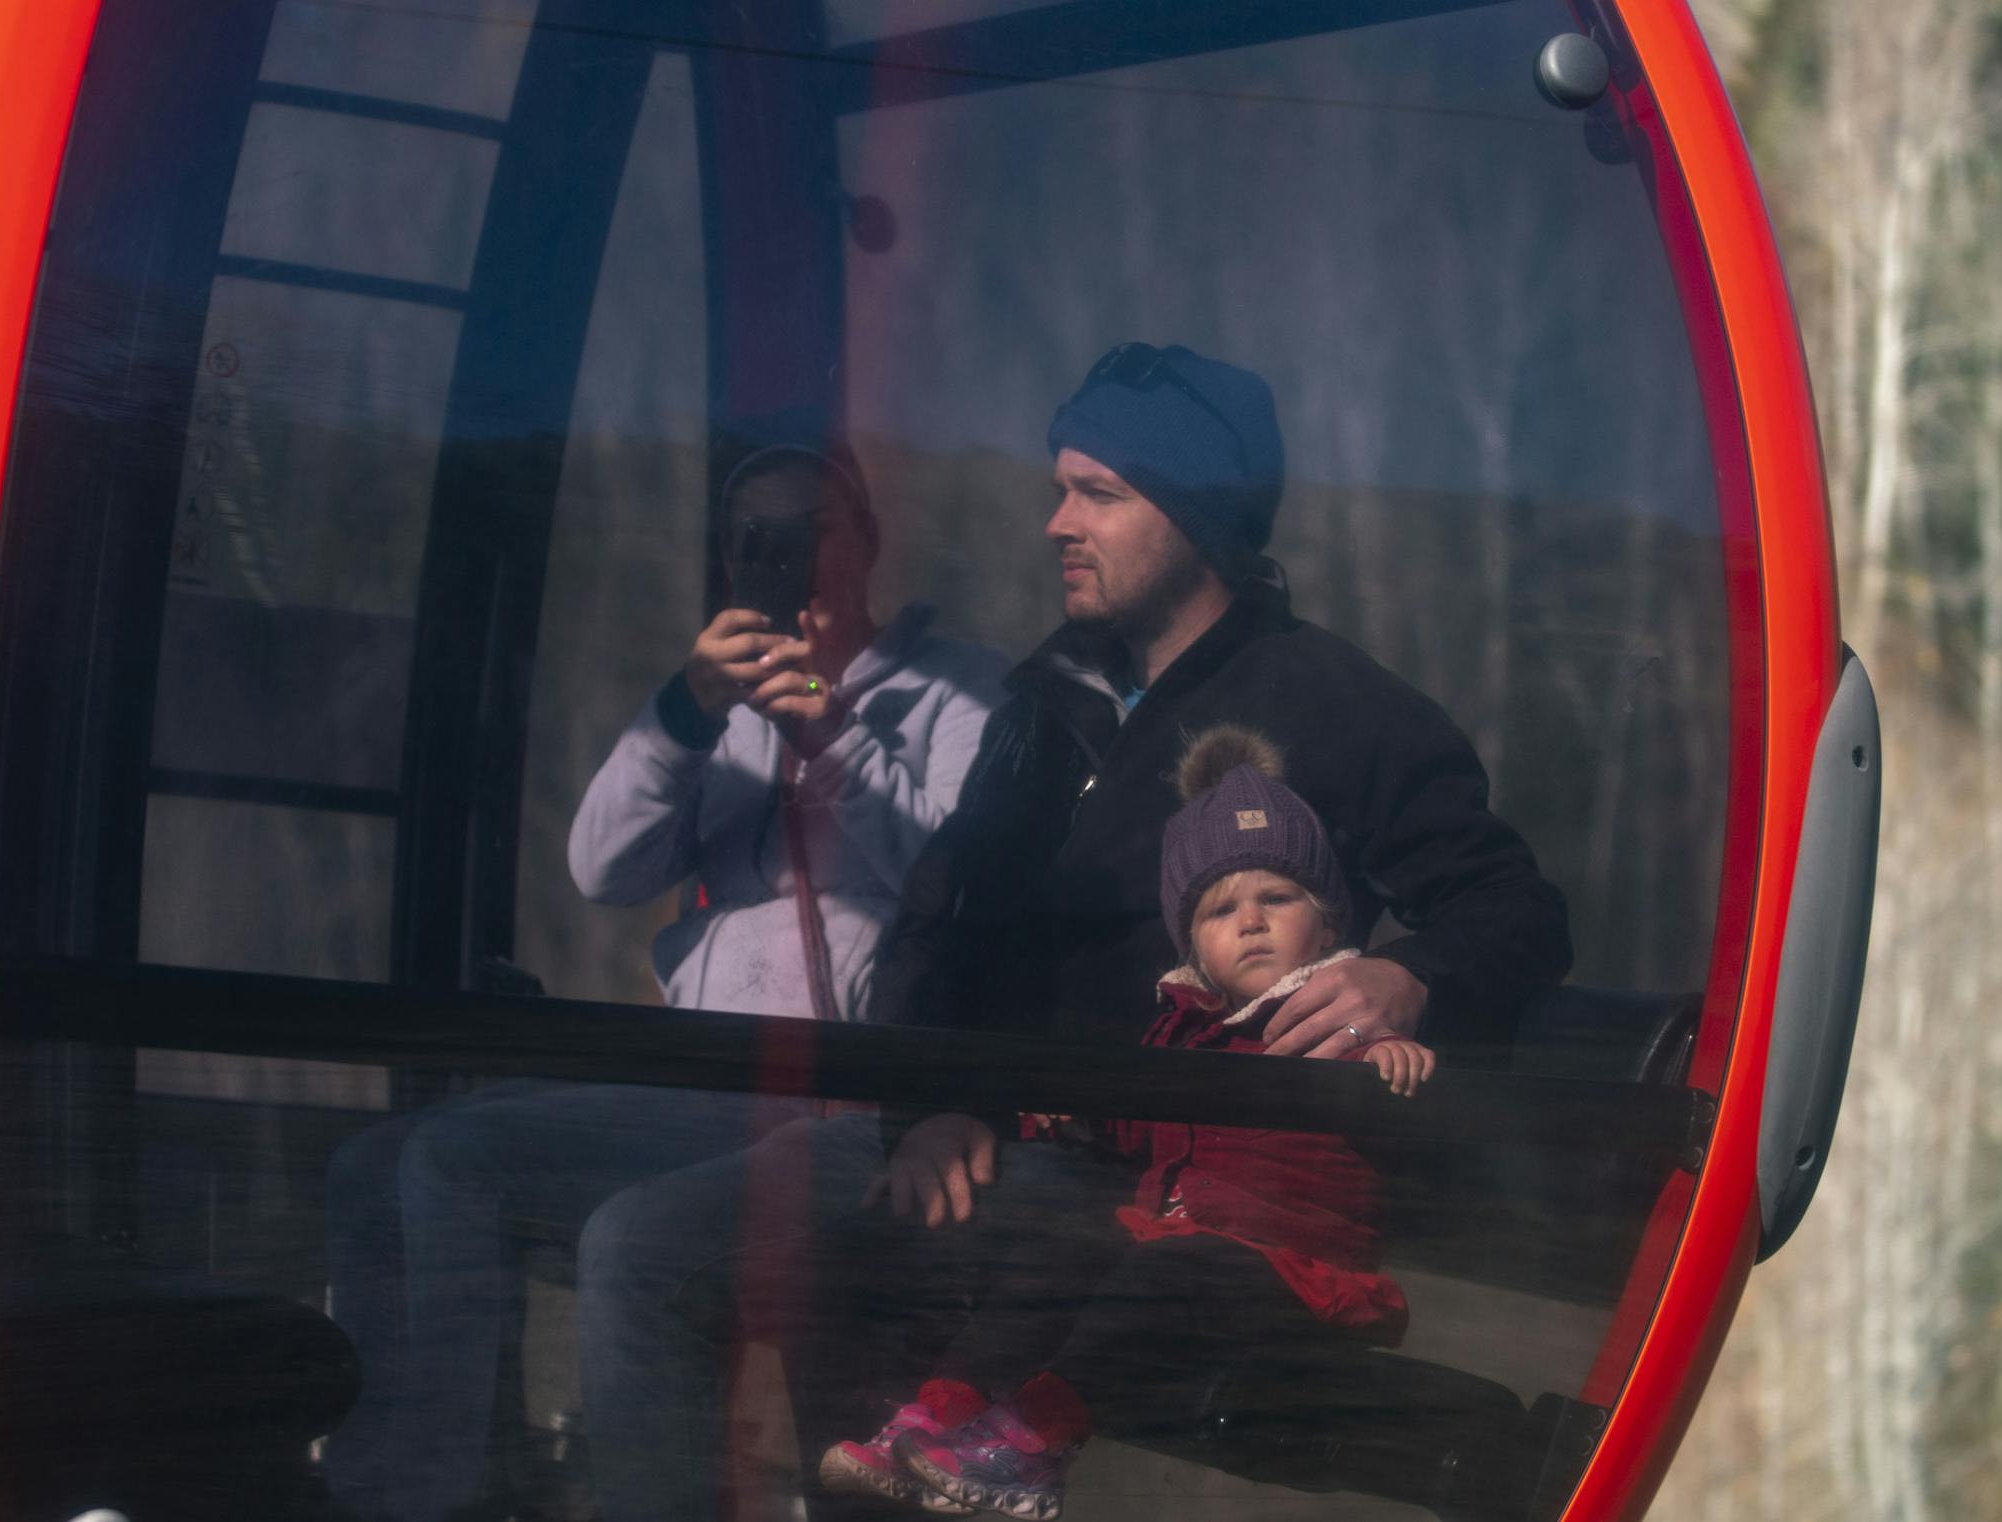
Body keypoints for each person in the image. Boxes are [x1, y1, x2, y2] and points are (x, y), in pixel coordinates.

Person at [572, 343, 1571, 1522]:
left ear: (1198, 518)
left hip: (1140, 1178)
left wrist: (1407, 979)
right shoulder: (1052, 700)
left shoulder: (1330, 706)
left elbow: (1511, 911)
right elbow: (939, 925)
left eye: (1098, 493)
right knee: (648, 1248)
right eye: (1058, 487)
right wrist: (928, 1105)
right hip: (971, 1135)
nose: (1056, 522)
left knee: (808, 1272)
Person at [321, 436, 1005, 1522]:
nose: (779, 556)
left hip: (833, 1092)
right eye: (753, 538)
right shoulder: (716, 713)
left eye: (807, 530)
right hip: (695, 1081)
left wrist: (830, 735)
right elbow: (601, 866)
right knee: (377, 1162)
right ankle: (394, 1487)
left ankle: (426, 1500)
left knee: (478, 1166)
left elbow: (960, 879)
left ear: (867, 541)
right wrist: (682, 716)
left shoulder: (956, 689)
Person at [817, 726, 1435, 1521]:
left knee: (1161, 1274)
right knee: (1057, 1251)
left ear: (1325, 921)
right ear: (1194, 945)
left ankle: (1031, 1448)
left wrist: (1392, 1056)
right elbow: (1141, 1129)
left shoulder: (1333, 1022)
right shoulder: (1180, 1030)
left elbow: (1385, 1085)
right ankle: (937, 1419)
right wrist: (1067, 1118)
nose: (1249, 922)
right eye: (1220, 910)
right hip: (1181, 1245)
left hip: (1286, 1270)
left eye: (1276, 899)